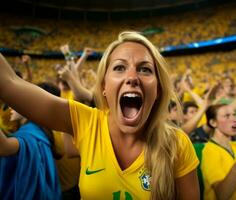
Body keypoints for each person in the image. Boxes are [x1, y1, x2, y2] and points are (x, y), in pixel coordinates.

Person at [0, 31, 200, 199]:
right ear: (104, 86)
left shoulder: (178, 145)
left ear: (158, 90)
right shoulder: (85, 121)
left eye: (145, 69)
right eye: (120, 68)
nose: (132, 77)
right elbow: (9, 83)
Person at [0, 107, 61, 200]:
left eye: (14, 103)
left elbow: (4, 148)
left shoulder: (29, 134)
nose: (10, 107)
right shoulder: (37, 129)